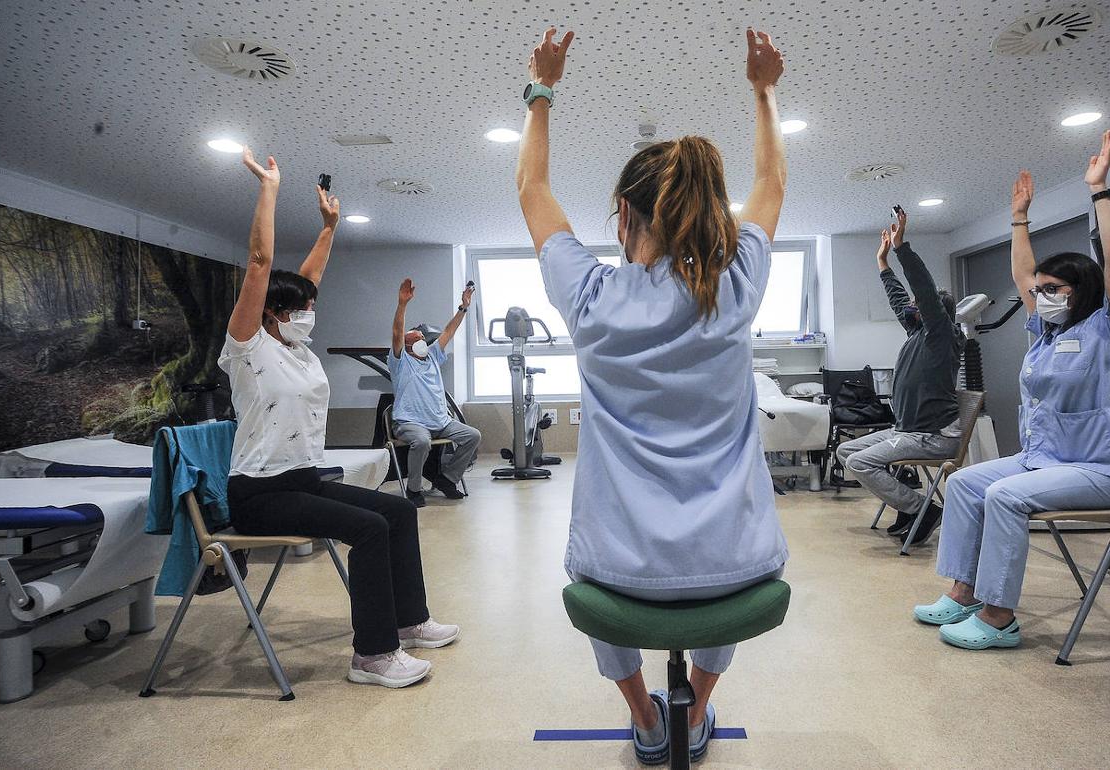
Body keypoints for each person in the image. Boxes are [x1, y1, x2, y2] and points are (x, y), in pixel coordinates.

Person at [516, 26, 788, 765]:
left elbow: (532, 190)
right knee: (725, 548)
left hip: (617, 577)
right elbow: (770, 187)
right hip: (737, 570)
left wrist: (542, 90)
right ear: (703, 217)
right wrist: (763, 93)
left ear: (625, 217)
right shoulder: (734, 289)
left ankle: (643, 716)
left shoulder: (592, 296)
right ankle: (695, 708)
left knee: (591, 570)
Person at [219, 148, 458, 687]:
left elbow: (308, 277)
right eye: (302, 307)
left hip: (303, 480)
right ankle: (372, 656)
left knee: (399, 513)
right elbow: (261, 263)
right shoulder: (247, 346)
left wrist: (330, 226)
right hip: (259, 495)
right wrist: (270, 190)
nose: (311, 312)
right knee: (370, 528)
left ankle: (410, 620)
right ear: (273, 313)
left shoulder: (298, 350)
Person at [913, 130, 1110, 650]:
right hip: (1043, 460)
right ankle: (963, 591)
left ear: (1080, 291)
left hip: (1100, 469)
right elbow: (1022, 274)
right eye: (1038, 291)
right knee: (965, 484)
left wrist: (1100, 191)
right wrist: (1018, 219)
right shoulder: (1046, 333)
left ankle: (1000, 617)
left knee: (1002, 495)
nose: (1038, 296)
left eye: (1052, 290)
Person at [835, 209, 965, 545]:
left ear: (933, 310)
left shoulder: (941, 335)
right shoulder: (916, 333)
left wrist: (901, 248)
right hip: (906, 430)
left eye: (918, 304)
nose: (911, 306)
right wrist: (883, 263)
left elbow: (922, 287)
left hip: (931, 436)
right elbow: (898, 298)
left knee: (862, 463)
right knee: (847, 453)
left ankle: (922, 508)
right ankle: (909, 508)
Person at [388, 277, 482, 507]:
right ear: (407, 346)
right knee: (421, 442)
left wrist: (464, 307)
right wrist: (402, 304)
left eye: (422, 338)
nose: (421, 340)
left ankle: (447, 479)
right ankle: (414, 489)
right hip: (411, 423)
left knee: (473, 435)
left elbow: (449, 331)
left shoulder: (431, 356)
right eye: (415, 339)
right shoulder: (400, 362)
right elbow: (397, 331)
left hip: (441, 421)